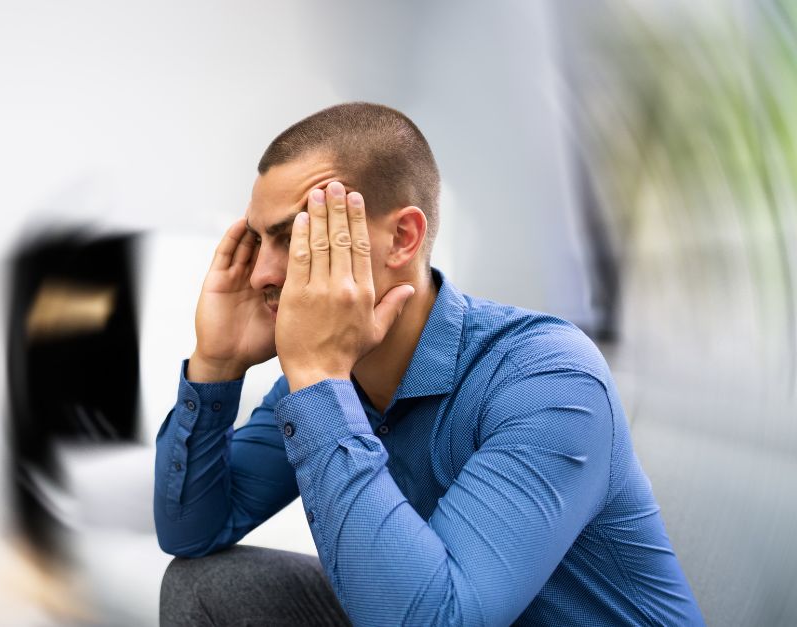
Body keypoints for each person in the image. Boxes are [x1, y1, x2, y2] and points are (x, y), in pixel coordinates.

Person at [152, 103, 703, 626]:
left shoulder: (550, 377)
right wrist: (216, 364)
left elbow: (439, 619)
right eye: (258, 242)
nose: (262, 275)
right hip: (412, 602)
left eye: (299, 238)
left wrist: (319, 379)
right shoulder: (333, 380)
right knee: (204, 586)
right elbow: (192, 531)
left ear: (402, 238)